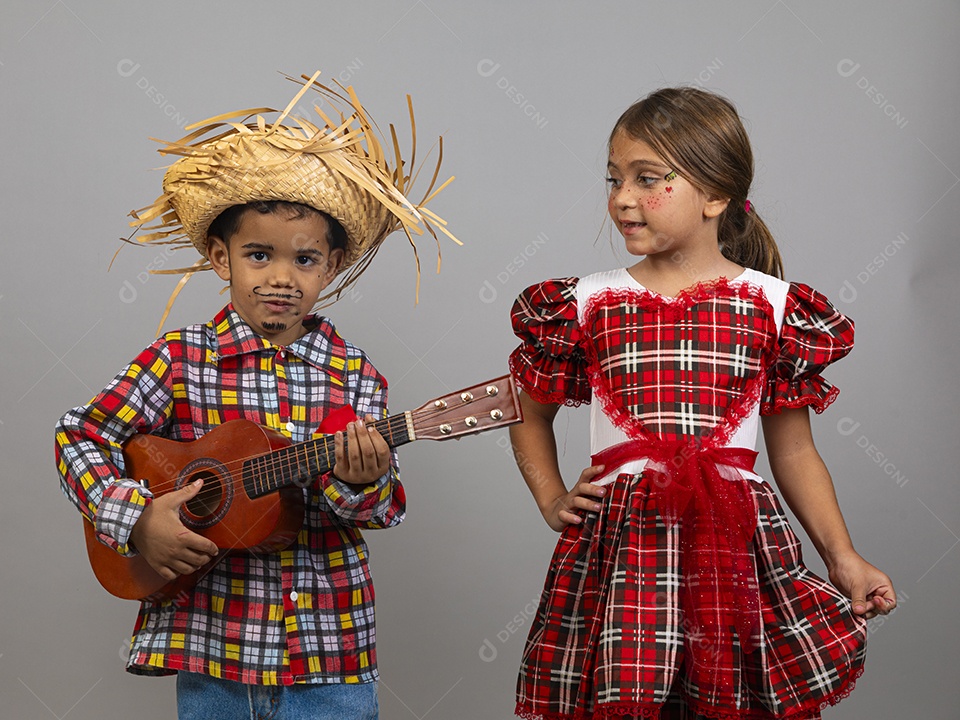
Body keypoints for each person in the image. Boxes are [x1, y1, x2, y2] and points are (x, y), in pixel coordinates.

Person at [55, 73, 454, 720]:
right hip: (213, 644)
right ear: (222, 258)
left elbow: (381, 510)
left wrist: (362, 480)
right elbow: (81, 434)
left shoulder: (355, 375)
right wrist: (135, 518)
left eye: (305, 260)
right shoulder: (182, 358)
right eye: (259, 255)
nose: (281, 277)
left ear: (332, 266)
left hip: (326, 648)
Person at [507, 87, 895, 720]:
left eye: (647, 178)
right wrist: (551, 497)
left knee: (732, 695)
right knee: (626, 694)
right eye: (614, 178)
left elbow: (795, 452)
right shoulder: (584, 303)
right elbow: (528, 412)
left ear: (715, 195)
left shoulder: (775, 307)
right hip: (625, 547)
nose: (622, 197)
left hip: (734, 544)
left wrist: (842, 557)